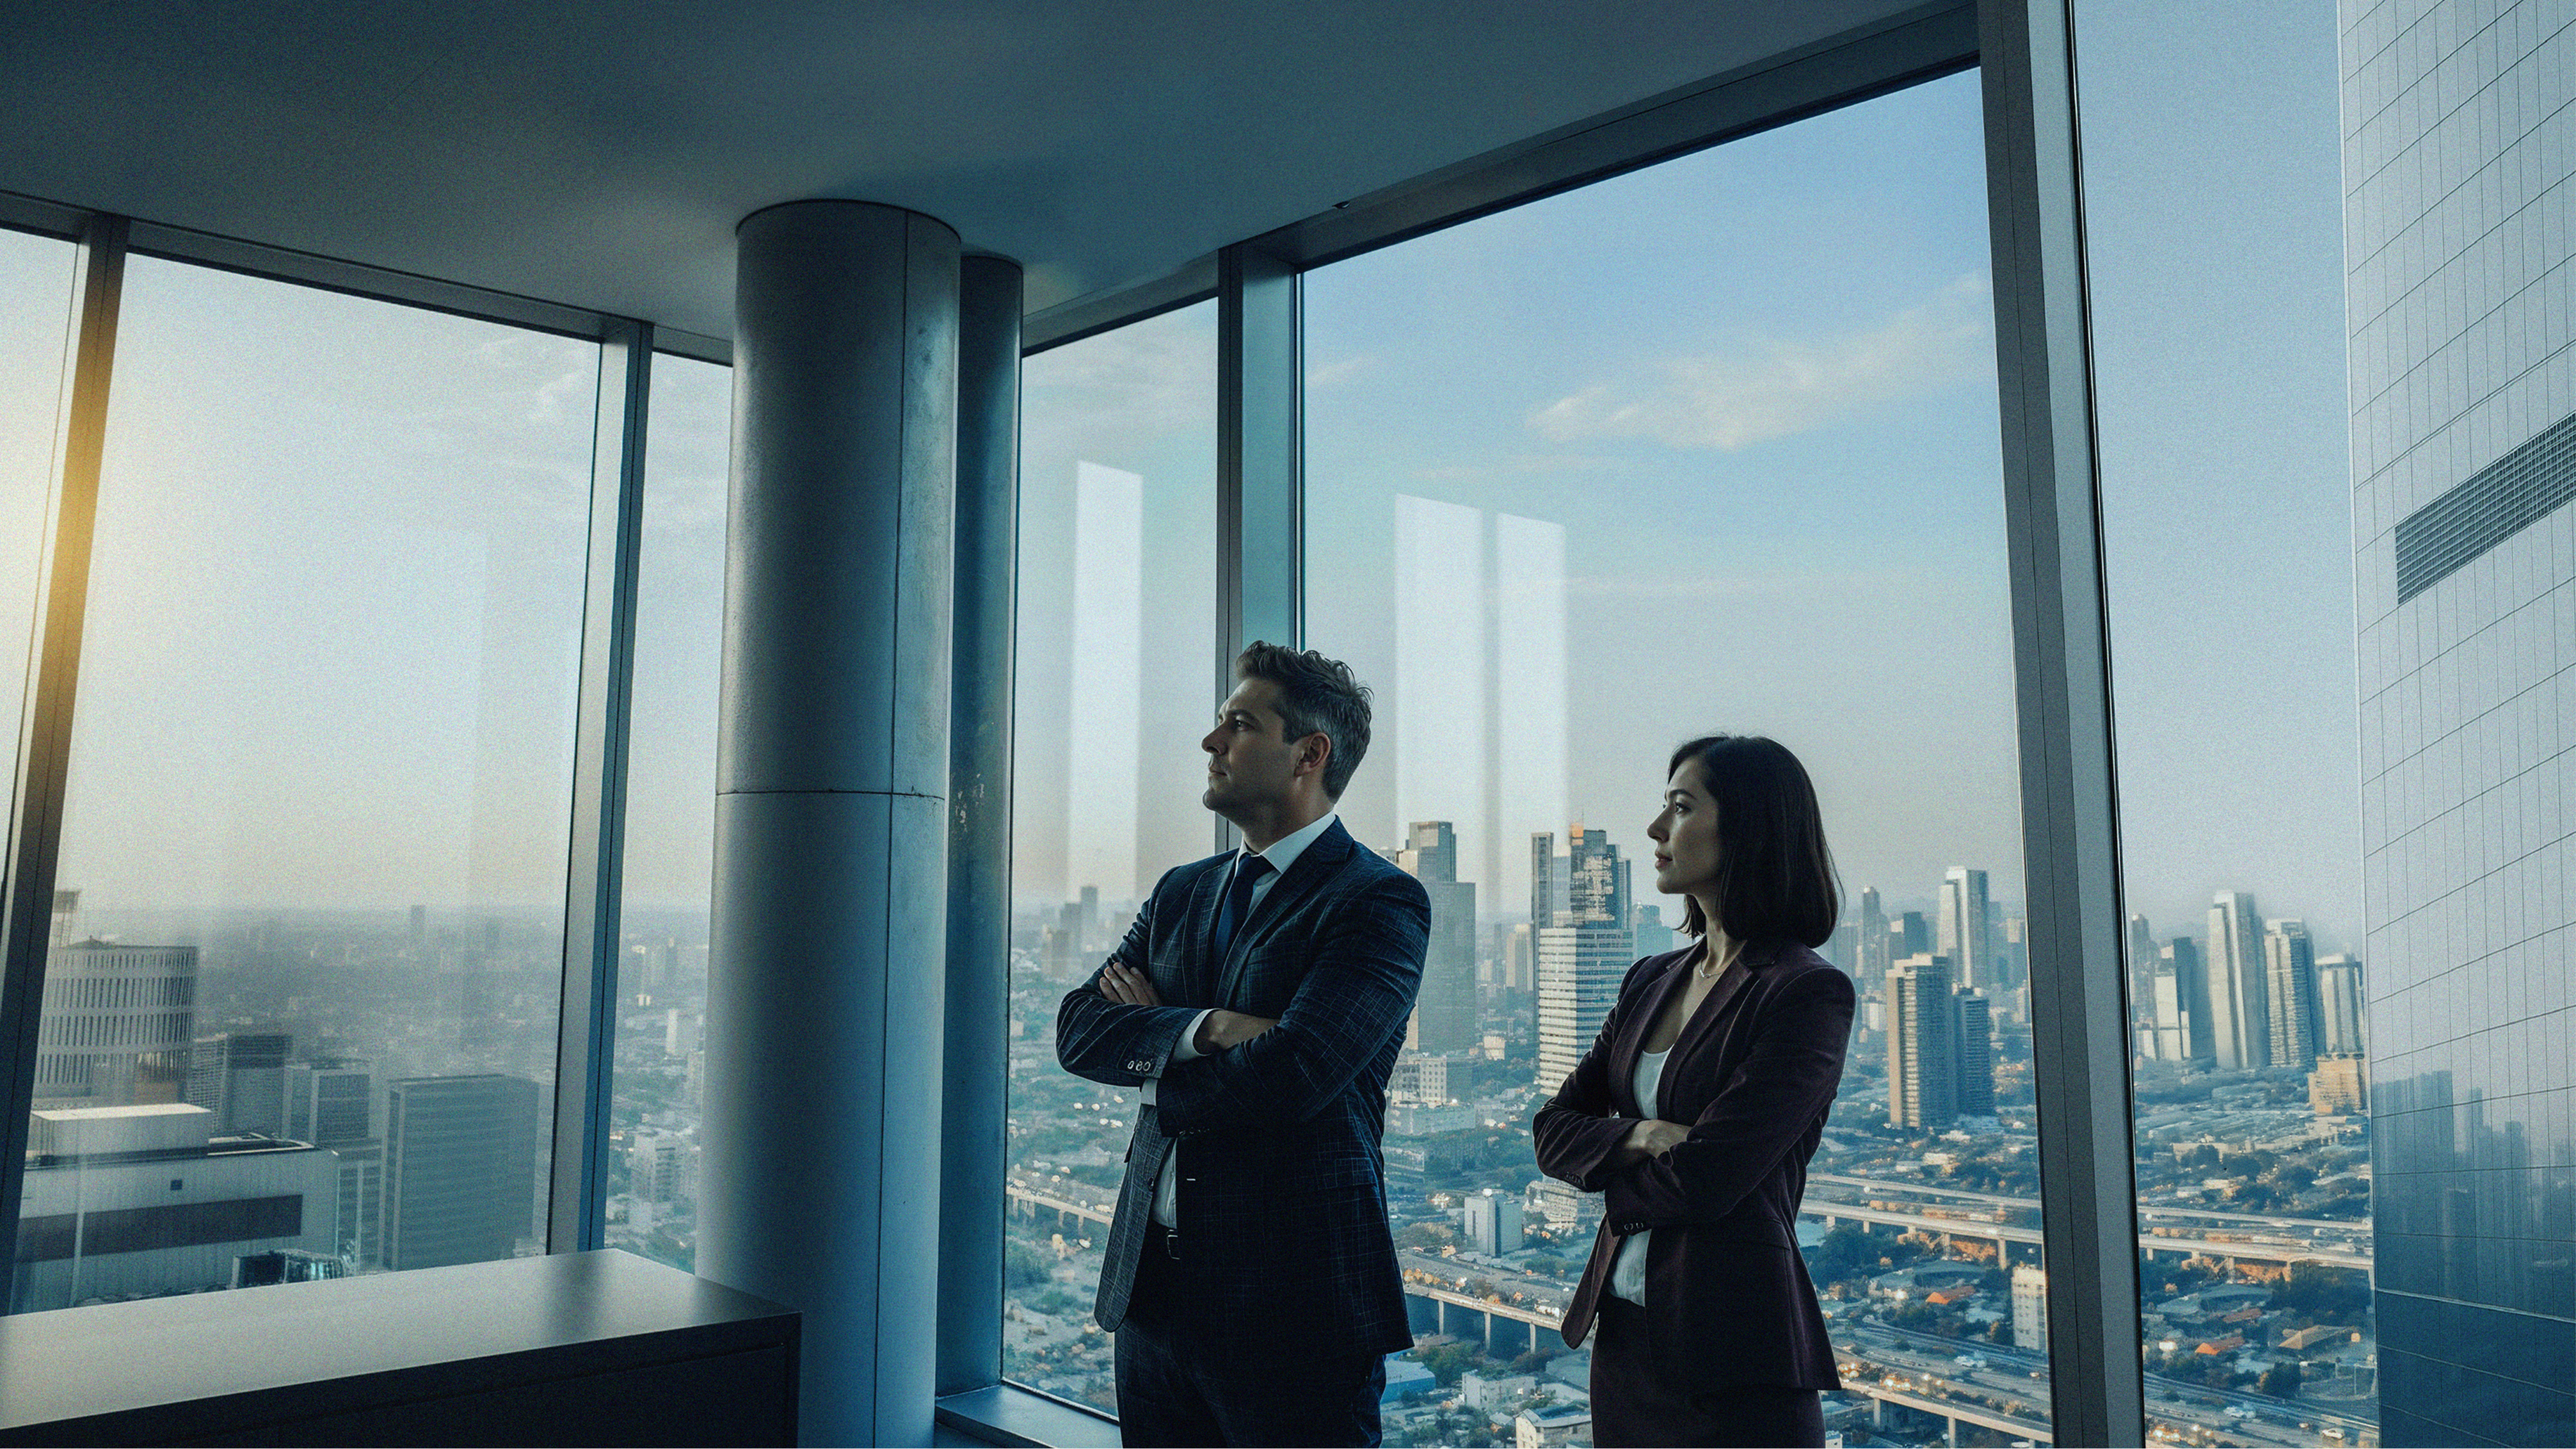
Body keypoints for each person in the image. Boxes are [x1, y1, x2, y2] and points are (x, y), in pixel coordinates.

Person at [1056, 642, 1430, 1449]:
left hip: (1293, 1316)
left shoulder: (1378, 900)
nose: (1209, 741)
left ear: (1309, 754)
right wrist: (1209, 1028)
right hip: (1151, 1303)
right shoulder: (1181, 890)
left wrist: (1154, 1064)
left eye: (1237, 722)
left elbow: (1297, 1072)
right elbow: (1078, 1029)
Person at [1531, 734, 1854, 1449]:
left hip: (1734, 1357)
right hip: (1623, 1344)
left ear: (1748, 826)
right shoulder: (1649, 978)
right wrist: (1637, 1137)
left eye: (1680, 806)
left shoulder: (1804, 993)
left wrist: (1603, 1171)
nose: (1655, 828)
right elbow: (1550, 1126)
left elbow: (1708, 1179)